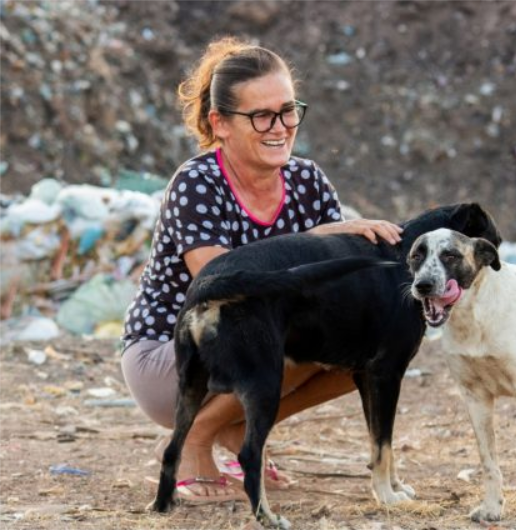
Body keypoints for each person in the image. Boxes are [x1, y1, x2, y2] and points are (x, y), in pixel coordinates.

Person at [120, 36, 403, 503]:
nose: (281, 127)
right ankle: (192, 438)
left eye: (289, 110)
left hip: (257, 344)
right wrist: (314, 242)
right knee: (278, 327)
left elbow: (343, 281)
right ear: (220, 123)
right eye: (262, 116)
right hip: (173, 356)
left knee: (367, 344)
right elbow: (223, 289)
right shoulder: (197, 182)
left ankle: (236, 431)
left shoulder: (307, 180)